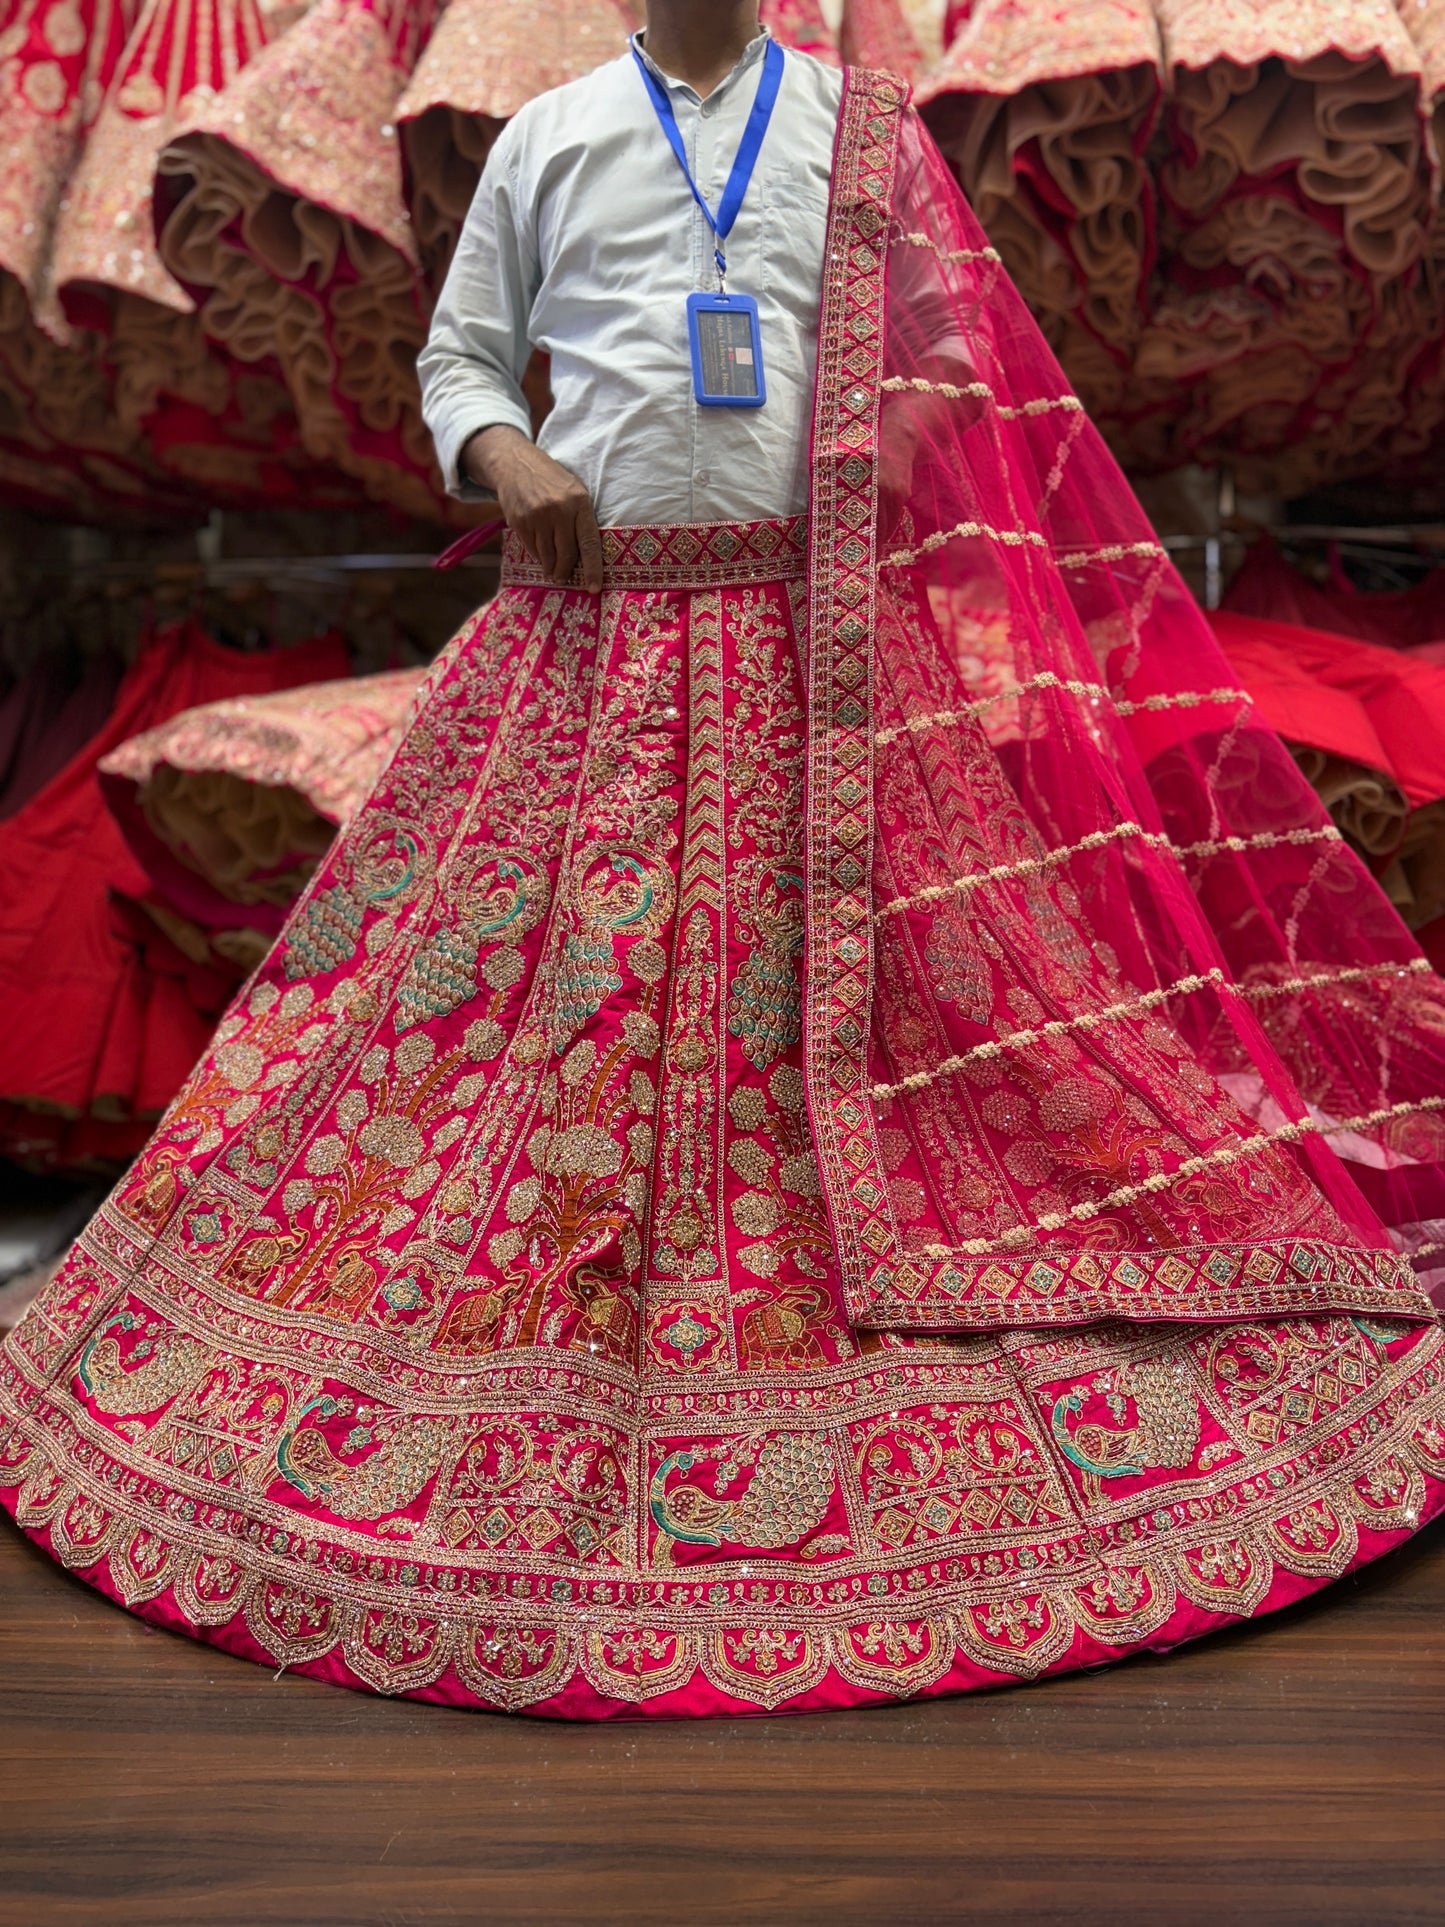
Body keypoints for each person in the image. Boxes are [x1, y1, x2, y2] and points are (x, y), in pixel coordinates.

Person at [3, 1, 1443, 1720]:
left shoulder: (864, 132)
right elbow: (459, 362)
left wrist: (890, 452)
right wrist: (512, 455)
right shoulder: (547, 139)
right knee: (523, 1017)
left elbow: (953, 368)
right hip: (589, 646)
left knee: (876, 1003)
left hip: (825, 657)